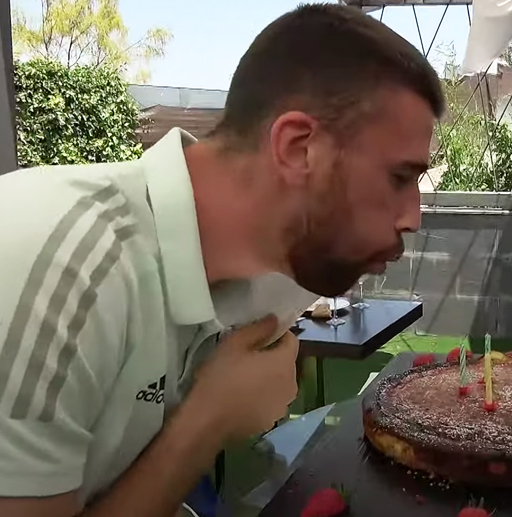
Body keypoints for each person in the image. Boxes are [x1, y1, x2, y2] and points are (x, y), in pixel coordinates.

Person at [0, 3, 443, 516]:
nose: (413, 217)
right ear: (298, 148)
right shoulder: (66, 266)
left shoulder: (274, 275)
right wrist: (209, 419)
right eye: (398, 177)